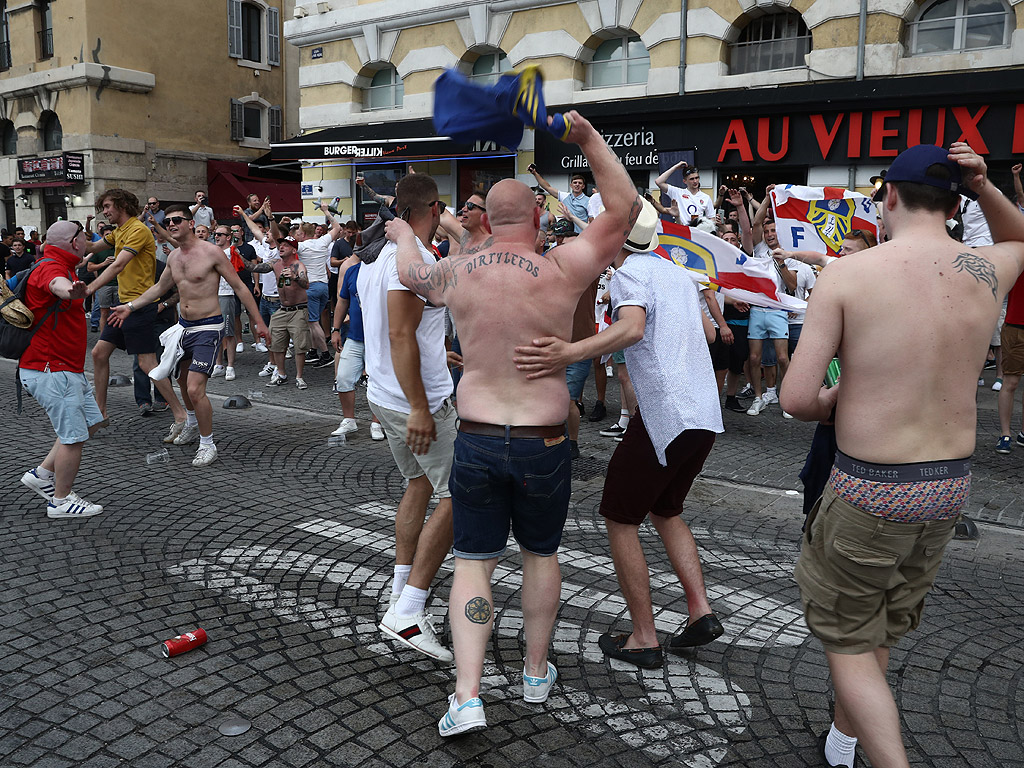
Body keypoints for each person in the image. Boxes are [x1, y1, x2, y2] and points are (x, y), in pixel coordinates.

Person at [387, 110, 640, 736]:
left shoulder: (455, 273)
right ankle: (533, 673)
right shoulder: (561, 267)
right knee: (540, 555)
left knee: (474, 562)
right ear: (535, 219)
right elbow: (626, 205)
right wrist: (586, 139)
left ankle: (467, 695)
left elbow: (409, 273)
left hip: (474, 436)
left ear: (485, 221)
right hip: (543, 439)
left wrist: (399, 232)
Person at [780, 142, 1024, 768]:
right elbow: (1020, 239)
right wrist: (987, 187)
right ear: (952, 202)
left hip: (871, 485)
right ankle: (844, 740)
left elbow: (797, 397)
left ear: (889, 195)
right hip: (947, 486)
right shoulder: (986, 268)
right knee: (879, 624)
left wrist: (838, 397)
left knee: (848, 639)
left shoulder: (849, 274)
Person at [514, 200, 726, 669]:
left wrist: (570, 352)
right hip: (704, 416)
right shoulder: (676, 273)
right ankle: (700, 612)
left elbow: (632, 329)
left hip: (664, 416)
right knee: (666, 509)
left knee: (618, 516)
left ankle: (644, 637)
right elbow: (709, 337)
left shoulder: (630, 274)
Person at [358, 172, 457, 666]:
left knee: (418, 486)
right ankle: (410, 610)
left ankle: (399, 591)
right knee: (456, 496)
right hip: (415, 401)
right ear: (434, 209)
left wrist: (438, 351)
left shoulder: (376, 259)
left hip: (384, 394)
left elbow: (403, 332)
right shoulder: (408, 265)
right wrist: (421, 404)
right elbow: (399, 335)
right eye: (443, 210)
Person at [108, 205, 269, 466]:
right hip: (183, 327)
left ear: (191, 223)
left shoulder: (212, 252)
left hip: (208, 327)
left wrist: (259, 322)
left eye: (177, 220)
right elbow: (159, 288)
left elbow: (240, 287)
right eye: (168, 221)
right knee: (182, 382)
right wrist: (129, 306)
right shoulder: (174, 257)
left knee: (194, 389)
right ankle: (192, 423)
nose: (171, 224)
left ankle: (208, 444)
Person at [18, 221, 105, 519]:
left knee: (91, 422)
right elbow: (58, 287)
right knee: (73, 437)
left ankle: (42, 474)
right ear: (74, 241)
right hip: (51, 368)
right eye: (84, 237)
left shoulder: (61, 262)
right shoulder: (50, 268)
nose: (87, 241)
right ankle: (61, 500)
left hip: (65, 368)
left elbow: (91, 254)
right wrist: (73, 291)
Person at [86, 189, 187, 430]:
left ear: (122, 206)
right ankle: (101, 414)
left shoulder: (137, 230)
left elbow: (118, 265)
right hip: (123, 307)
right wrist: (66, 242)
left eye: (108, 206)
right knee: (99, 353)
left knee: (147, 364)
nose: (106, 212)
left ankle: (180, 414)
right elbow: (91, 246)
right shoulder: (118, 231)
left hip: (139, 307)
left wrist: (89, 289)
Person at [528, 165, 589, 233]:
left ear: (583, 186)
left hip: (581, 236)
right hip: (567, 237)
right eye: (575, 183)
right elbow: (547, 187)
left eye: (580, 183)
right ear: (571, 185)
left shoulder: (589, 201)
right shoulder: (565, 196)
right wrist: (535, 173)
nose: (577, 184)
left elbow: (592, 221)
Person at [655, 162, 714, 228]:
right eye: (692, 179)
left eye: (697, 178)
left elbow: (712, 219)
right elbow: (658, 182)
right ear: (684, 181)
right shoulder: (678, 192)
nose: (695, 181)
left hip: (697, 233)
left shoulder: (706, 197)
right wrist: (675, 167)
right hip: (681, 230)